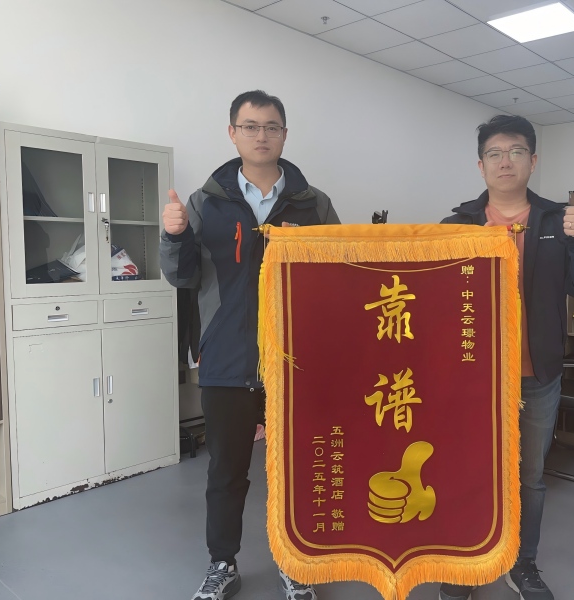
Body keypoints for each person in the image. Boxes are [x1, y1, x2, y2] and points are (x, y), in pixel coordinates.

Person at [160, 90, 340, 600]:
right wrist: (174, 237)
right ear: (232, 133)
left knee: (297, 469)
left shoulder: (313, 204)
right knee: (226, 472)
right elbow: (182, 276)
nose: (262, 136)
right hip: (226, 359)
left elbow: (339, 275)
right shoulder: (205, 202)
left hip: (295, 363)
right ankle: (223, 563)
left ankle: (294, 561)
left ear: (284, 134)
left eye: (271, 127)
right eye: (250, 126)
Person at [438, 115, 574, 600]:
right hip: (473, 378)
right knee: (469, 471)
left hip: (536, 374)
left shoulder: (558, 221)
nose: (505, 162)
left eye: (516, 152)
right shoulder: (457, 225)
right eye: (494, 153)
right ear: (480, 165)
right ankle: (467, 565)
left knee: (529, 477)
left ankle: (522, 563)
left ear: (533, 161)